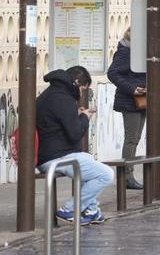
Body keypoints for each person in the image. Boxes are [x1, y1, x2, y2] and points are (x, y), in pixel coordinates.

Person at [36, 65, 112, 225]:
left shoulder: (49, 95)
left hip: (49, 155)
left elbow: (55, 122)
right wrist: (84, 117)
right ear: (77, 82)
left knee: (88, 159)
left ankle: (92, 210)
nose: (81, 93)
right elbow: (75, 133)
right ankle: (69, 209)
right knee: (106, 174)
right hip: (57, 157)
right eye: (83, 89)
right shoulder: (64, 99)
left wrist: (75, 114)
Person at [107, 27, 146, 190]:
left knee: (135, 138)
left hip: (143, 99)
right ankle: (126, 177)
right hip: (130, 101)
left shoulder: (140, 52)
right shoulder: (125, 52)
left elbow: (142, 73)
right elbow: (113, 73)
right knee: (131, 138)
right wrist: (132, 88)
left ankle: (128, 175)